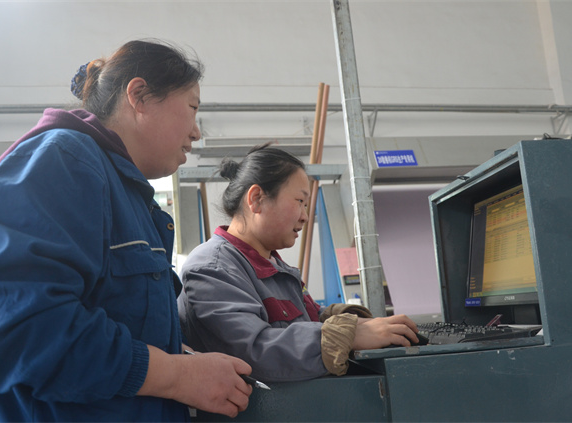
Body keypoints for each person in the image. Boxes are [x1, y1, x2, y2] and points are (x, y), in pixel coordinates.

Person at [0, 39, 252, 422]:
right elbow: (15, 328)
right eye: (192, 108)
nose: (196, 131)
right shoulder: (65, 160)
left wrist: (181, 357)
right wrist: (176, 375)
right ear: (139, 96)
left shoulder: (132, 198)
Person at [177, 144, 421, 382]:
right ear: (256, 198)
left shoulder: (276, 268)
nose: (305, 216)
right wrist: (347, 335)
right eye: (299, 201)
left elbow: (308, 318)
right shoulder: (212, 268)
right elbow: (253, 351)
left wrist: (354, 322)